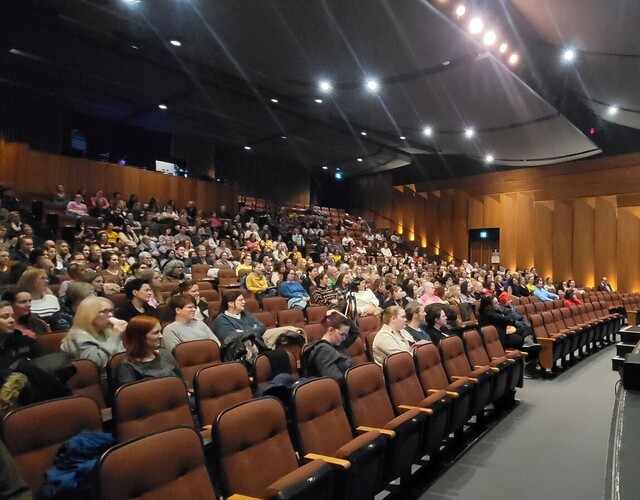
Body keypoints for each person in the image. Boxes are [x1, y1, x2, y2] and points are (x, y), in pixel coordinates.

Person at [60, 296, 126, 379]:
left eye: (110, 311)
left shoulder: (107, 331)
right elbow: (95, 363)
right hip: (97, 380)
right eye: (105, 311)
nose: (110, 315)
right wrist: (115, 336)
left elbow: (122, 356)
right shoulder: (78, 336)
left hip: (116, 376)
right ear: (90, 315)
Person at [115, 315, 182, 388]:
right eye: (156, 333)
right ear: (140, 337)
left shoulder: (165, 354)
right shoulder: (127, 366)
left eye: (160, 331)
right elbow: (130, 396)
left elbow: (182, 380)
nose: (161, 336)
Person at [304, 309, 352, 382]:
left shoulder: (337, 345)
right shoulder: (323, 350)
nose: (344, 338)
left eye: (345, 335)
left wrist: (339, 313)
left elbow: (355, 332)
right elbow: (335, 380)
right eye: (342, 335)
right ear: (331, 330)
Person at [0, 300, 45, 369]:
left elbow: (44, 366)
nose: (12, 320)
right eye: (5, 317)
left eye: (12, 316)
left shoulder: (26, 342)